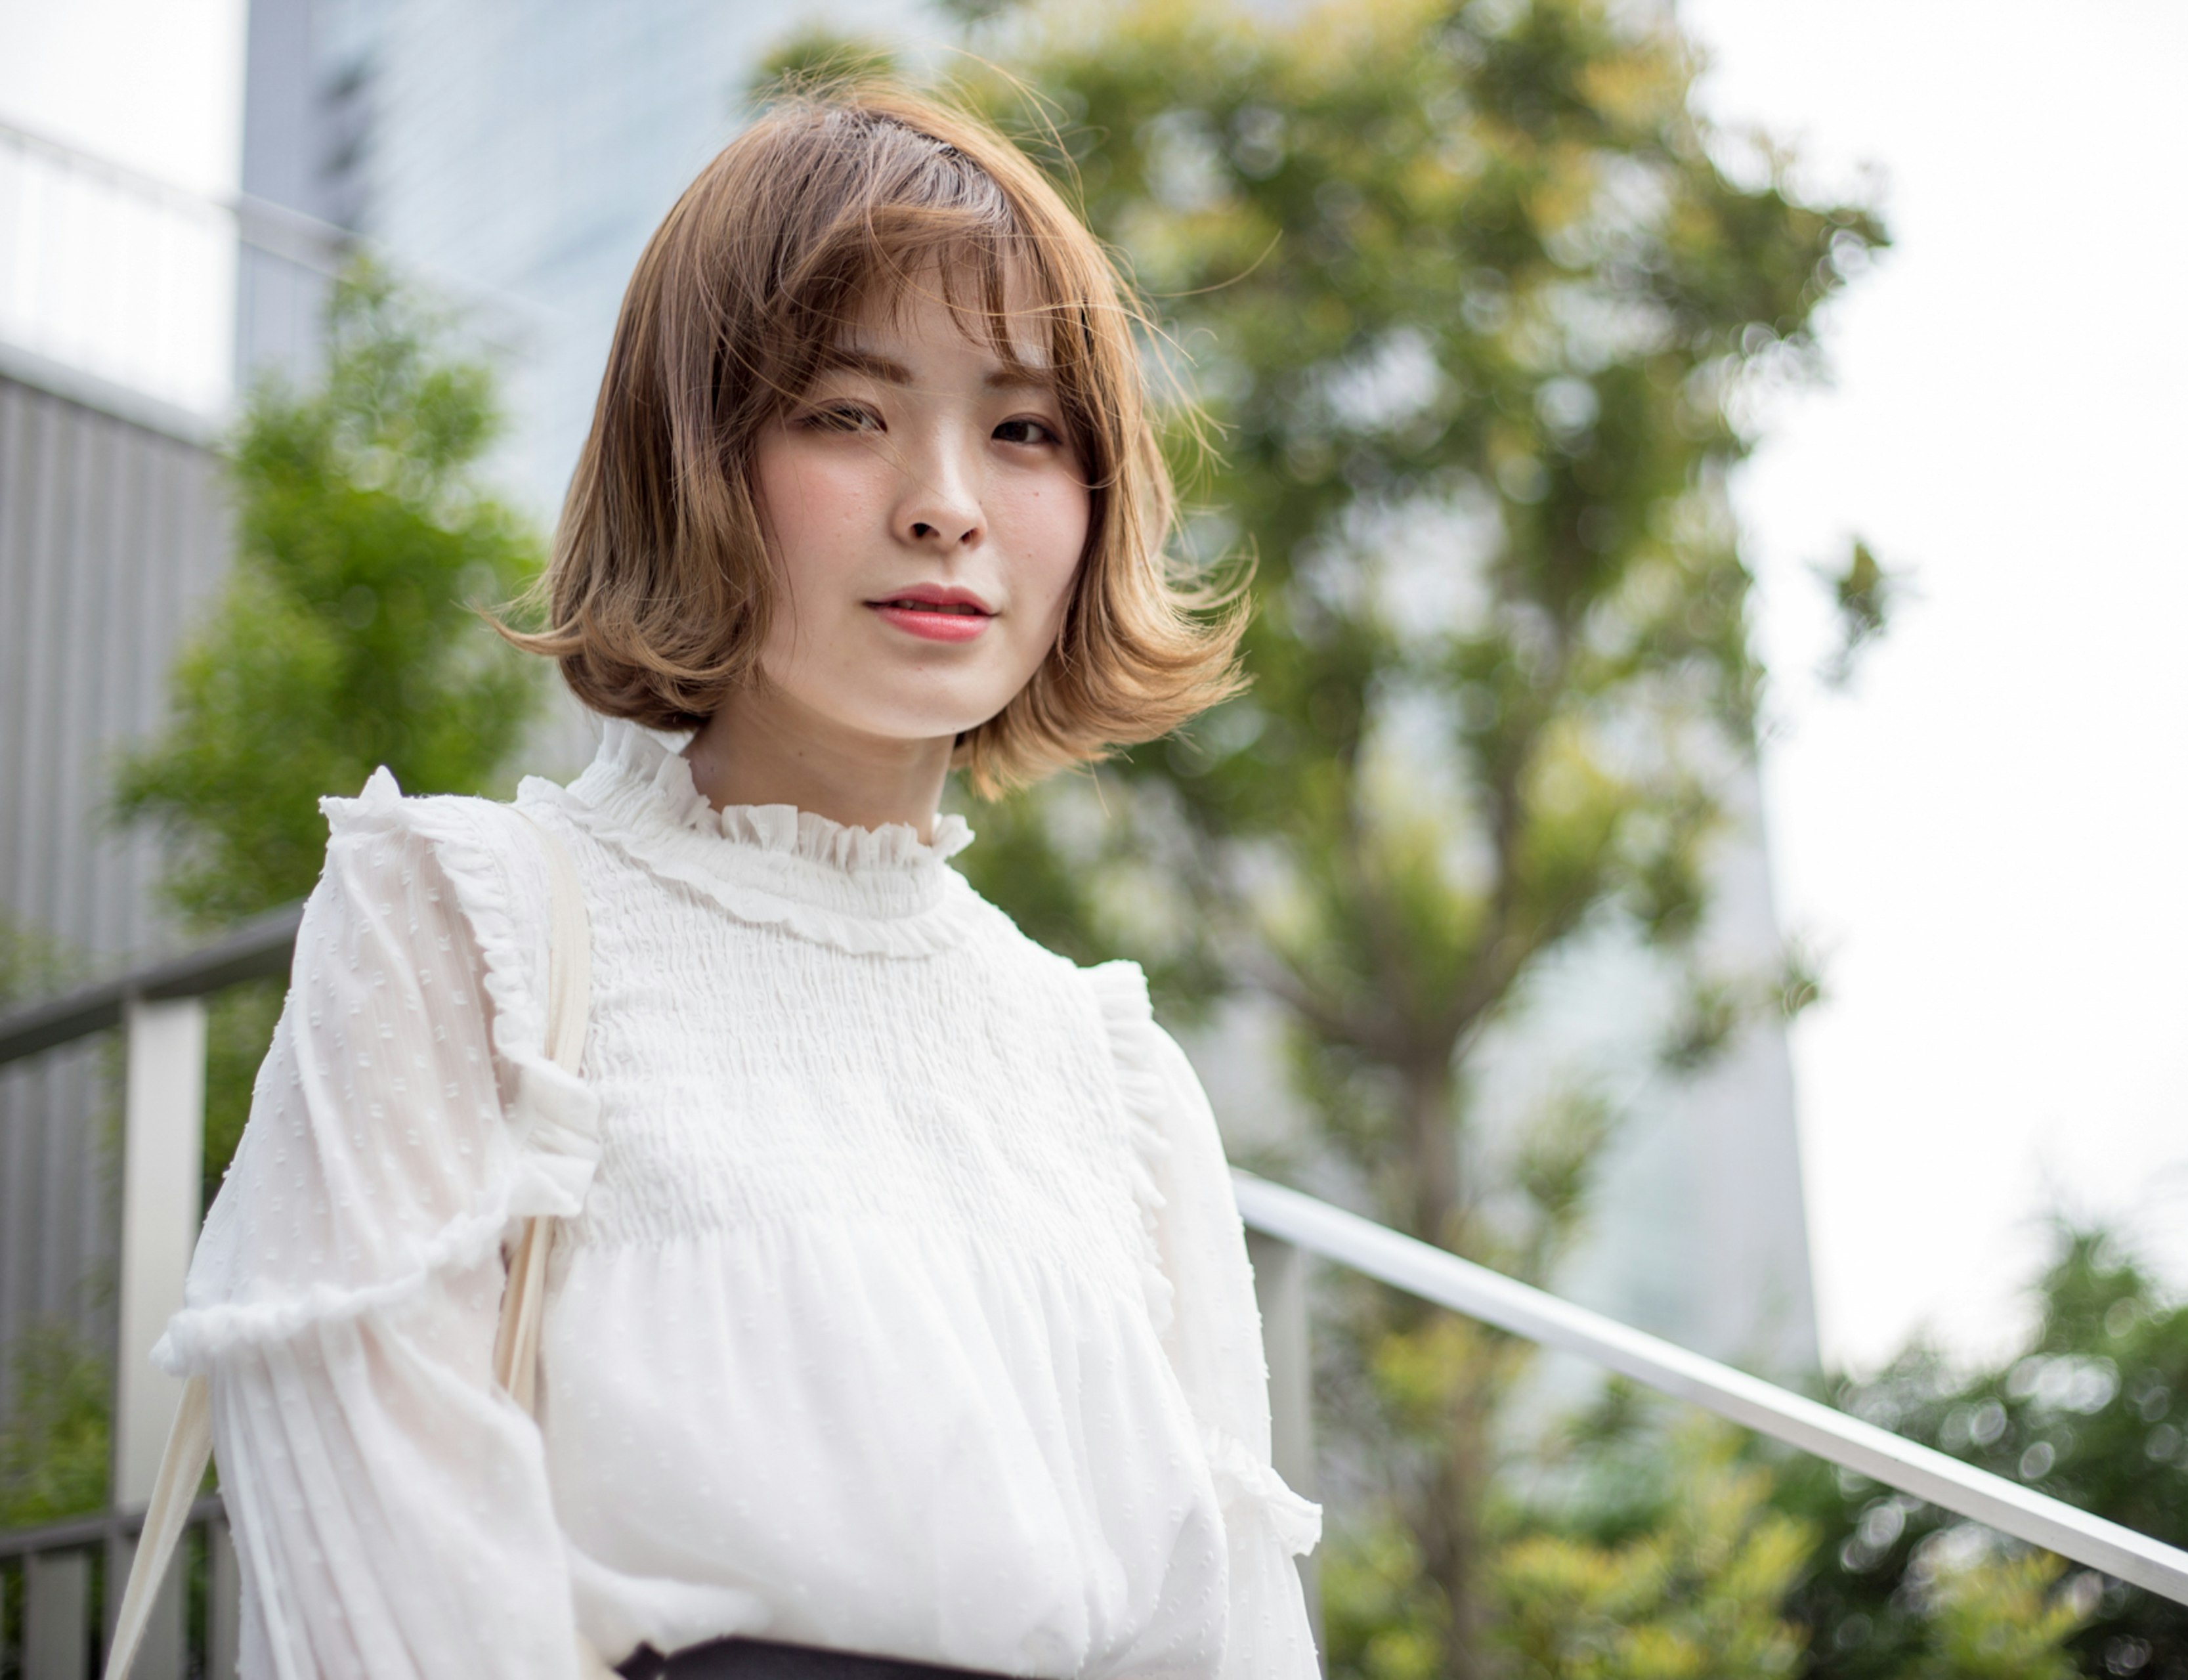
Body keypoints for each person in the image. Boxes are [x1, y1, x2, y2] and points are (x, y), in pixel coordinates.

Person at [154, 88, 1321, 1680]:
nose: (946, 500)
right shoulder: (466, 926)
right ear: (693, 454)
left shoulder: (1110, 1076)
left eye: (1024, 427)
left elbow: (1233, 1637)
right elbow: (392, 1596)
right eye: (848, 411)